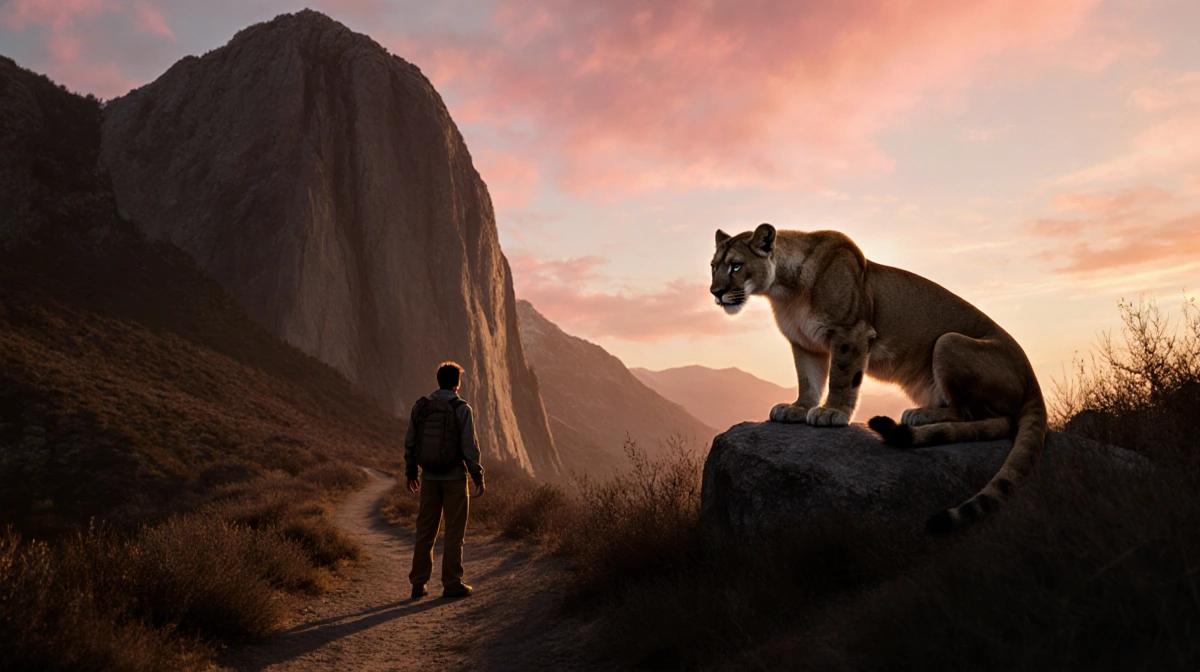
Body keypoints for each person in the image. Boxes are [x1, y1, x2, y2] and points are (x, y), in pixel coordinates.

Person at [405, 361, 486, 599]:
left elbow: (410, 441)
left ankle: (418, 584)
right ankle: (452, 583)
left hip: (428, 478)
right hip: (454, 479)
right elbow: (470, 447)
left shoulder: (421, 407)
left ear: (438, 381)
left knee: (425, 531)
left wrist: (411, 471)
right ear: (457, 385)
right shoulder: (462, 408)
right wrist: (477, 476)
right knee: (454, 532)